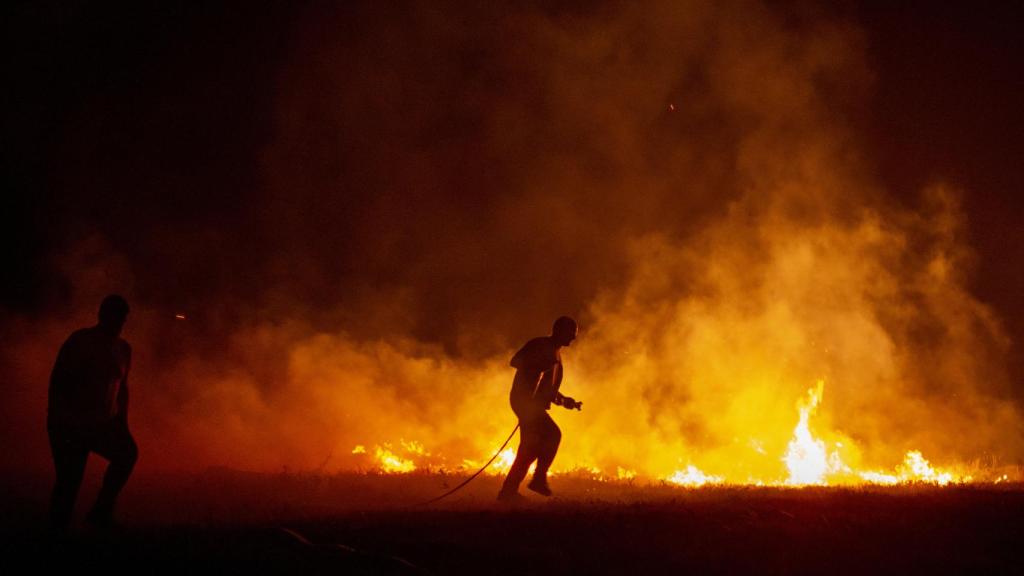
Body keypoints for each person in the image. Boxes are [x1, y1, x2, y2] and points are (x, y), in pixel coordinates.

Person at [47, 294, 138, 529]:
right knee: (69, 482)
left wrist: (122, 423)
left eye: (122, 319)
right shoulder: (80, 342)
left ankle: (101, 510)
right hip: (71, 424)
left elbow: (122, 389)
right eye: (116, 318)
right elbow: (59, 383)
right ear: (102, 316)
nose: (119, 324)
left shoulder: (123, 349)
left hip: (101, 424)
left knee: (127, 453)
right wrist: (62, 422)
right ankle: (56, 532)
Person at [497, 316, 581, 501]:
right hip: (524, 401)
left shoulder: (556, 354)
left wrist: (566, 401)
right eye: (571, 333)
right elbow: (515, 361)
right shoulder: (540, 344)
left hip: (532, 404)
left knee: (529, 448)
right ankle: (538, 479)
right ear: (559, 330)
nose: (574, 337)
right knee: (552, 435)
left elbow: (548, 389)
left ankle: (509, 491)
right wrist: (537, 366)